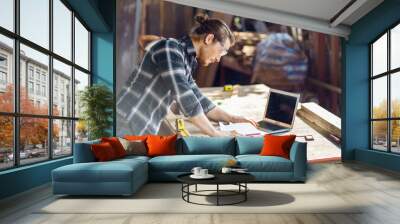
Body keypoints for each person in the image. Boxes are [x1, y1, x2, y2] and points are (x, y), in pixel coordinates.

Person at [117, 14, 257, 136]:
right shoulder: (170, 49)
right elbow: (185, 96)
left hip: (139, 127)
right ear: (209, 39)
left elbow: (198, 99)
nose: (219, 58)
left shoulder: (185, 59)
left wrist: (233, 119)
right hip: (125, 123)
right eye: (222, 51)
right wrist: (216, 133)